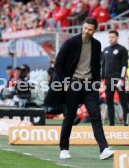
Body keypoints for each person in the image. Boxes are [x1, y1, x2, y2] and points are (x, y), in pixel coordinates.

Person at [44, 17, 113, 160]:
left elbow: (96, 64)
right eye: (85, 28)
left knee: (96, 116)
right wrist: (65, 81)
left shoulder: (97, 44)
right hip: (73, 85)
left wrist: (96, 82)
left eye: (90, 29)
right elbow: (58, 64)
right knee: (69, 117)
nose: (86, 31)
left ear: (95, 30)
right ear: (82, 27)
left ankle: (104, 149)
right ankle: (64, 149)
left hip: (89, 86)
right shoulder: (71, 42)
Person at [102, 30, 129, 126]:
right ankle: (111, 124)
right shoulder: (105, 50)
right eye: (109, 37)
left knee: (123, 102)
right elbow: (103, 65)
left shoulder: (122, 49)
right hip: (108, 80)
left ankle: (126, 123)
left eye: (112, 37)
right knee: (109, 103)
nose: (110, 39)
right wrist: (102, 79)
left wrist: (122, 78)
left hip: (118, 80)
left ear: (117, 37)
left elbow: (124, 65)